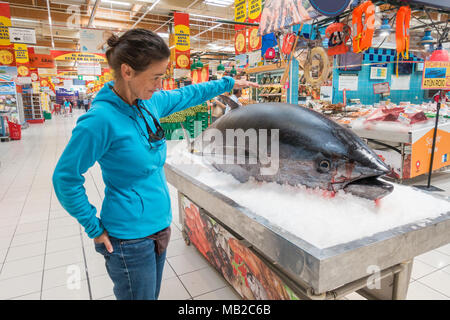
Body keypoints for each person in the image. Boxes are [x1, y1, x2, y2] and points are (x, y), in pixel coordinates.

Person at [52, 28, 258, 300]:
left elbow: (190, 94)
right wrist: (93, 226)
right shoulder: (99, 121)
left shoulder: (149, 104)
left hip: (160, 227)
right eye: (156, 77)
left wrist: (227, 84)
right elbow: (65, 178)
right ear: (127, 72)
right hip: (128, 240)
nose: (160, 85)